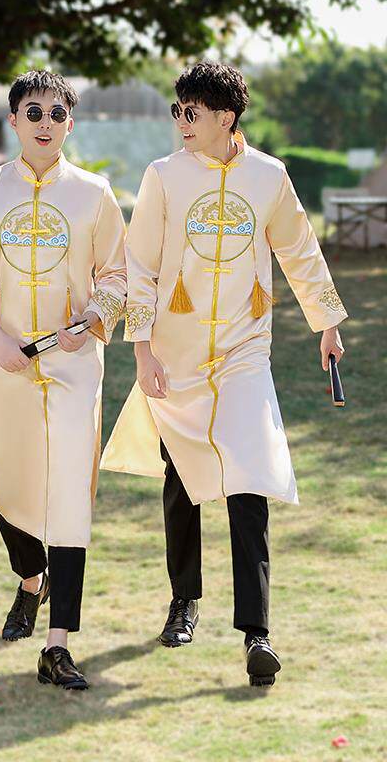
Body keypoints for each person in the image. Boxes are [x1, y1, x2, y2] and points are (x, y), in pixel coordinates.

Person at [101, 61, 347, 686]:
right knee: (181, 480)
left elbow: (298, 249)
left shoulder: (269, 176)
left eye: (193, 112)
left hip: (244, 349)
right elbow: (141, 266)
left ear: (226, 117)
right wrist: (142, 349)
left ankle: (257, 632)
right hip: (175, 352)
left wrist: (326, 322)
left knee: (248, 479)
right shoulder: (163, 176)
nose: (182, 122)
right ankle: (183, 599)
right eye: (177, 111)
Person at [0, 70, 127, 690]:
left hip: (74, 368)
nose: (45, 123)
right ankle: (30, 579)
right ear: (14, 121)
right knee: (4, 483)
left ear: (70, 123)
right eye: (34, 112)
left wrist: (93, 319)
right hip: (6, 365)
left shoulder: (95, 194)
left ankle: (58, 644)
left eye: (57, 113)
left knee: (70, 497)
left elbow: (118, 275)